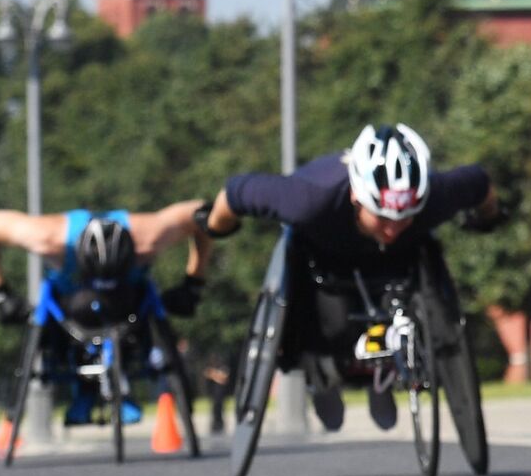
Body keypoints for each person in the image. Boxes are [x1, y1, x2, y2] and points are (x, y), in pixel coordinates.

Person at [200, 123, 500, 432]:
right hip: (325, 264)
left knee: (414, 260)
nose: (392, 228)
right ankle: (321, 375)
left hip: (395, 266)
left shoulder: (435, 196)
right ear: (358, 197)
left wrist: (489, 217)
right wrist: (214, 226)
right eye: (382, 217)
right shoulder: (309, 200)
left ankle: (384, 367)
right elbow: (234, 193)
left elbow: (480, 184)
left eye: (404, 217)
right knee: (332, 317)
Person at [0, 202, 210, 424]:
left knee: (143, 305)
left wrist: (193, 283)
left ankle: (122, 379)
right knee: (52, 314)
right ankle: (83, 391)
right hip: (71, 312)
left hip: (128, 309)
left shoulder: (149, 236)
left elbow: (205, 212)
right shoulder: (49, 238)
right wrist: (0, 293)